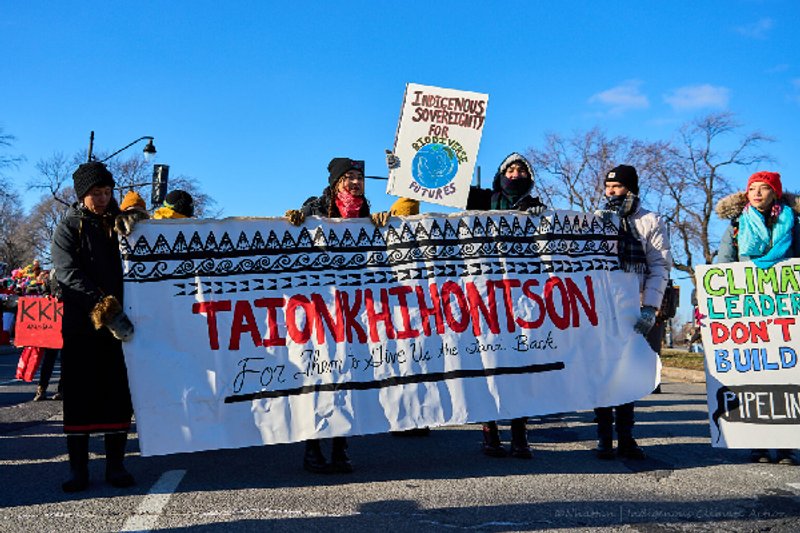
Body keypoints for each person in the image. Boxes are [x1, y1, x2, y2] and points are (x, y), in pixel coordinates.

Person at [285, 157, 388, 474]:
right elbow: (293, 243)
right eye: (349, 178)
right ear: (335, 183)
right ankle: (313, 449)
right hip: (320, 310)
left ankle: (341, 447)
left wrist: (384, 223)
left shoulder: (368, 215)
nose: (355, 183)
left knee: (348, 377)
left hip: (353, 312)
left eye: (359, 177)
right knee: (318, 377)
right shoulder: (315, 210)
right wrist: (294, 219)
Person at [51, 161, 137, 492]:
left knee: (117, 394)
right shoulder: (68, 227)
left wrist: (140, 223)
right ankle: (79, 470)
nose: (102, 199)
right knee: (80, 395)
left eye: (106, 192)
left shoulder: (122, 224)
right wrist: (105, 308)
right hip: (82, 325)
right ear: (82, 194)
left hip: (125, 324)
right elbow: (68, 274)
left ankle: (116, 465)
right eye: (95, 193)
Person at [715, 170, 800, 466]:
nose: (758, 193)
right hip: (751, 314)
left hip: (786, 310)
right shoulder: (737, 226)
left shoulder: (793, 223)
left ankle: (788, 445)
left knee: (787, 375)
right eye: (753, 188)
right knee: (756, 376)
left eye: (764, 188)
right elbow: (722, 266)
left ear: (775, 192)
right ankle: (760, 444)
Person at [593, 164, 671, 460]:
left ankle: (625, 437)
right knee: (602, 371)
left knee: (626, 373)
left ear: (631, 188)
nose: (611, 191)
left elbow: (659, 266)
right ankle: (603, 437)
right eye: (608, 186)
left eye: (617, 186)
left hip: (633, 306)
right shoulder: (595, 220)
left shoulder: (650, 220)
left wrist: (650, 307)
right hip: (600, 308)